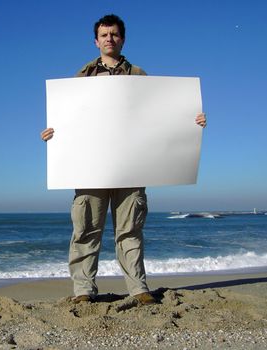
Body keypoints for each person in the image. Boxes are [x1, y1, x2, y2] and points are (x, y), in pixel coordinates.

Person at [41, 14, 207, 305]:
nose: (109, 39)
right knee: (85, 229)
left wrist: (191, 121)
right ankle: (83, 291)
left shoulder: (139, 76)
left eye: (115, 34)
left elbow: (160, 116)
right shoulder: (80, 78)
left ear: (122, 39)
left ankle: (137, 288)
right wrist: (52, 134)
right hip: (91, 167)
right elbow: (69, 121)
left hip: (132, 166)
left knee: (130, 229)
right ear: (96, 41)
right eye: (104, 35)